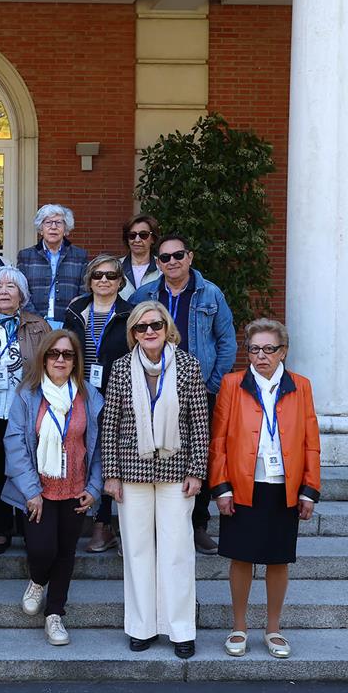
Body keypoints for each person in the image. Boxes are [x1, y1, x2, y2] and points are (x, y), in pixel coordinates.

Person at [100, 301, 209, 657]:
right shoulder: (120, 369)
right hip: (132, 471)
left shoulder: (189, 366)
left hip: (178, 472)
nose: (149, 332)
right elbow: (110, 423)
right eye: (142, 327)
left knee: (177, 552)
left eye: (156, 325)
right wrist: (111, 474)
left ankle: (181, 631)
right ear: (133, 333)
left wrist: (197, 469)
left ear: (167, 329)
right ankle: (142, 627)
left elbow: (199, 423)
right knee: (137, 551)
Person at [210, 318, 320, 660]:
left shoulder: (300, 386)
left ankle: (273, 629)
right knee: (241, 557)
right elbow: (218, 441)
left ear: (282, 351)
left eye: (269, 349)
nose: (261, 356)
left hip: (283, 487)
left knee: (277, 558)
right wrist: (221, 487)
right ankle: (239, 627)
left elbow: (311, 441)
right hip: (243, 484)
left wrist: (309, 489)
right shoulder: (232, 384)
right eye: (254, 349)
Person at [131, 233, 237, 555]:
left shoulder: (210, 294)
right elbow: (131, 335)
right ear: (158, 262)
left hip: (197, 388)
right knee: (155, 450)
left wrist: (212, 384)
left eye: (178, 255)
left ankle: (198, 525)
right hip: (152, 389)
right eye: (164, 257)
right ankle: (155, 524)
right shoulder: (146, 293)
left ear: (189, 257)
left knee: (197, 453)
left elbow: (227, 341)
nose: (172, 261)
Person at [3, 330, 103, 647]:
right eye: (54, 354)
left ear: (76, 360)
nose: (60, 359)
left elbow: (100, 447)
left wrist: (95, 487)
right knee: (42, 550)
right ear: (44, 358)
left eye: (67, 354)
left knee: (65, 553)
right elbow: (15, 444)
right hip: (39, 492)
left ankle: (54, 614)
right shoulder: (27, 395)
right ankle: (37, 581)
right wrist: (31, 491)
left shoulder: (90, 397)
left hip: (76, 490)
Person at [0, 265, 51, 554]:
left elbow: (50, 368)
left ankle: (29, 525)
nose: (4, 292)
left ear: (22, 294)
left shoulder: (38, 326)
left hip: (24, 409)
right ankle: (1, 529)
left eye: (11, 287)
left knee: (25, 466)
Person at [61, 254, 134, 553]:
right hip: (80, 391)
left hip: (116, 392)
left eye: (111, 276)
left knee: (108, 454)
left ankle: (103, 525)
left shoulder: (130, 313)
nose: (104, 280)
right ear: (89, 280)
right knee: (83, 452)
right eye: (98, 275)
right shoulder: (76, 310)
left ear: (120, 281)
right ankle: (79, 513)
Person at [15, 204, 88, 328]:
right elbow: (21, 292)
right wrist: (37, 321)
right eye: (48, 222)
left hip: (69, 323)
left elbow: (84, 291)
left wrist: (71, 316)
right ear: (41, 228)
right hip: (33, 324)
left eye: (59, 223)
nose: (53, 227)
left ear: (65, 229)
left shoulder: (79, 255)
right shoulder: (26, 256)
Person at [118, 215, 161, 300]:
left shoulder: (163, 267)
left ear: (153, 239)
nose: (137, 240)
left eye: (143, 235)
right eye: (132, 235)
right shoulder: (115, 267)